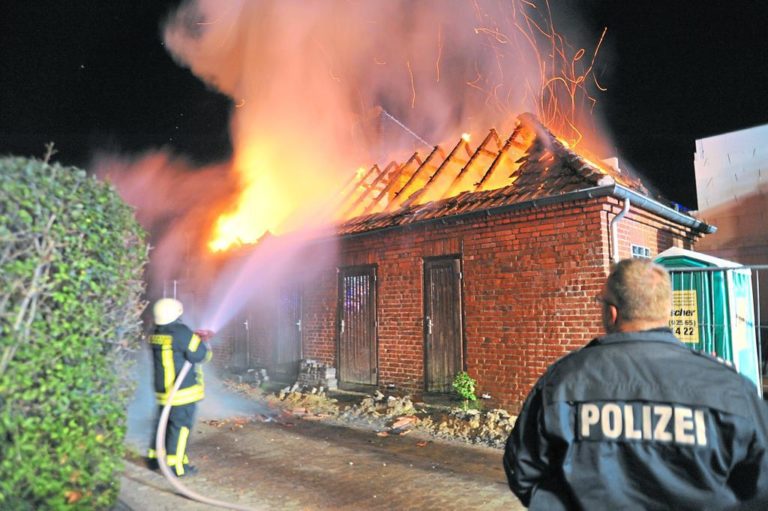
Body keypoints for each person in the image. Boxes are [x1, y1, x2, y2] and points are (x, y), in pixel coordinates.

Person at [503, 258, 768, 510]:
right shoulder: (729, 388)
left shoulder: (563, 380)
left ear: (612, 312)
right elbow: (760, 484)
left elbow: (523, 470)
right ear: (666, 311)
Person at [146, 298, 211, 477]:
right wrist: (203, 341)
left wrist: (193, 339)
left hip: (162, 390)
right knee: (180, 427)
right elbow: (200, 355)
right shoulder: (181, 332)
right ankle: (177, 466)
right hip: (182, 392)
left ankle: (154, 459)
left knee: (163, 423)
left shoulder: (155, 333)